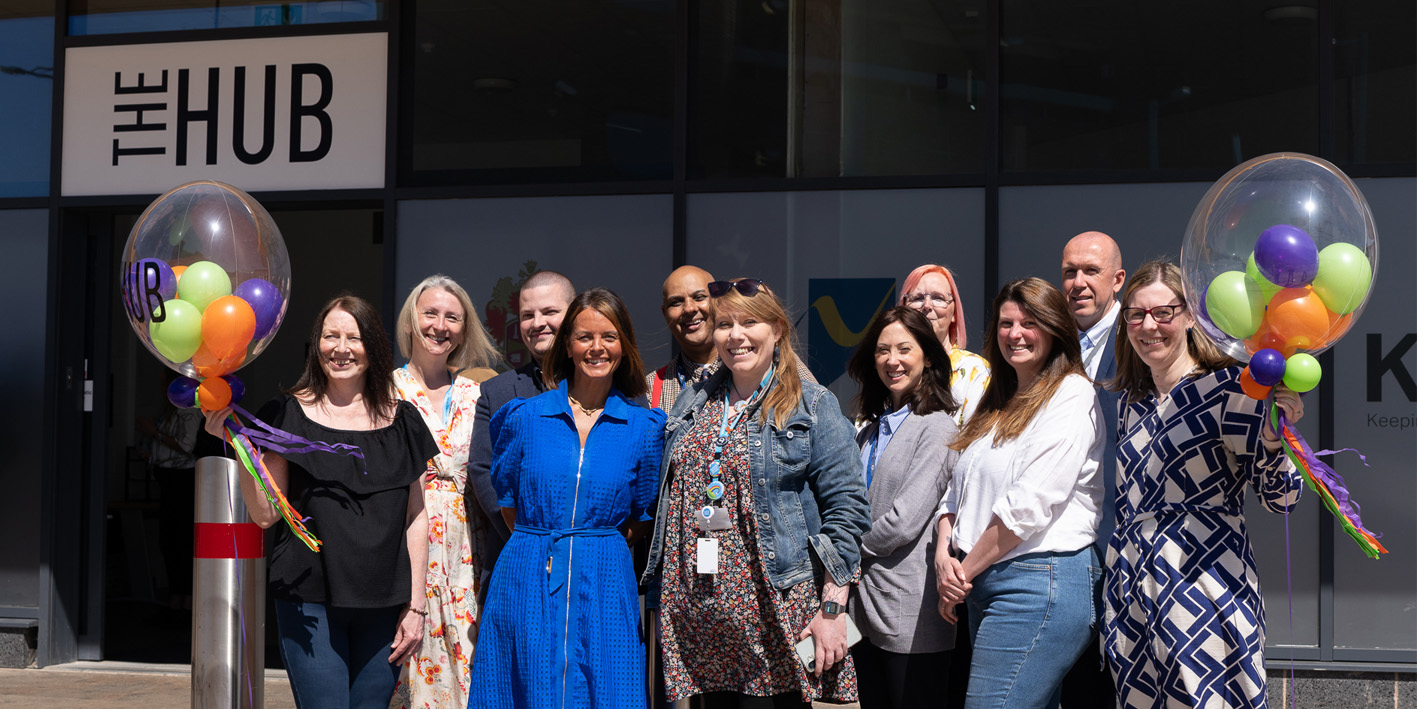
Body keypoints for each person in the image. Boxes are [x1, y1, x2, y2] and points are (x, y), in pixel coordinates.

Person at [645, 278, 871, 708]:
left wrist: (832, 612)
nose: (736, 335)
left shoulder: (813, 405)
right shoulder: (695, 399)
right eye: (725, 323)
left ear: (777, 331)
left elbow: (848, 512)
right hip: (705, 615)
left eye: (750, 322)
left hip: (782, 611)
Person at [204, 295, 436, 709]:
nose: (341, 348)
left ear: (374, 348)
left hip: (385, 603)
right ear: (316, 345)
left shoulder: (405, 421)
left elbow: (416, 517)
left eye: (354, 337)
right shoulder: (285, 413)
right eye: (331, 336)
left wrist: (416, 605)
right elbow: (264, 514)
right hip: (308, 600)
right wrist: (241, 450)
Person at [1104, 261, 1303, 709]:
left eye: (1163, 313)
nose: (1147, 326)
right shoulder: (1130, 404)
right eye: (1136, 315)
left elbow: (1282, 497)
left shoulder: (1229, 389)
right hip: (1134, 586)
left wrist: (1274, 443)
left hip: (1203, 582)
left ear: (1191, 316)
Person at [469, 288, 664, 709]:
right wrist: (543, 542)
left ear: (624, 346)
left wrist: (590, 544)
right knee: (526, 687)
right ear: (568, 347)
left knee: (609, 688)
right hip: (527, 571)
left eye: (609, 337)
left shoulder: (643, 428)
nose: (597, 348)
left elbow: (641, 514)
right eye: (584, 337)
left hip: (606, 577)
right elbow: (508, 502)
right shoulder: (524, 417)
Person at [933, 277, 1104, 709]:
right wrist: (943, 551)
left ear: (1055, 329)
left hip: (1037, 582)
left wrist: (962, 573)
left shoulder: (1072, 393)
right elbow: (958, 489)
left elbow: (1028, 506)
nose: (1014, 334)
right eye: (1006, 323)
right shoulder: (999, 399)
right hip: (985, 578)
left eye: (1029, 322)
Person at [389, 275, 503, 709]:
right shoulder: (384, 390)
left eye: (452, 317)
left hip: (469, 557)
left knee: (474, 675)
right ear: (411, 321)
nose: (440, 325)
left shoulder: (480, 393)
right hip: (408, 552)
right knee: (409, 673)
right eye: (430, 314)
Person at [845, 306, 961, 709]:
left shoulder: (938, 426)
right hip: (865, 614)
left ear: (927, 356)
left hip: (911, 616)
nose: (892, 360)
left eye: (903, 349)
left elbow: (902, 522)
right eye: (882, 350)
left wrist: (840, 548)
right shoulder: (872, 428)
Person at [465, 270, 575, 571]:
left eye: (550, 311)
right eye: (527, 315)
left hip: (589, 562)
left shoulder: (607, 388)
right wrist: (525, 538)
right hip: (515, 559)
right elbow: (483, 470)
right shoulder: (496, 392)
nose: (537, 323)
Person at [1057, 230, 1126, 704]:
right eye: (1069, 272)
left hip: (1124, 550)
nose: (1078, 282)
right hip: (1064, 550)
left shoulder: (1143, 338)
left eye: (1091, 271)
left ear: (1118, 279)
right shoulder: (1052, 342)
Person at [900, 264, 989, 428]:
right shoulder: (893, 367)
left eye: (938, 298)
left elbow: (974, 438)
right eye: (918, 298)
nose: (927, 305)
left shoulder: (974, 369)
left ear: (954, 313)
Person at [648, 265, 719, 411]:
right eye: (676, 302)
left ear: (718, 301)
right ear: (664, 313)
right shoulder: (649, 390)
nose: (689, 308)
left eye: (699, 297)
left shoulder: (751, 376)